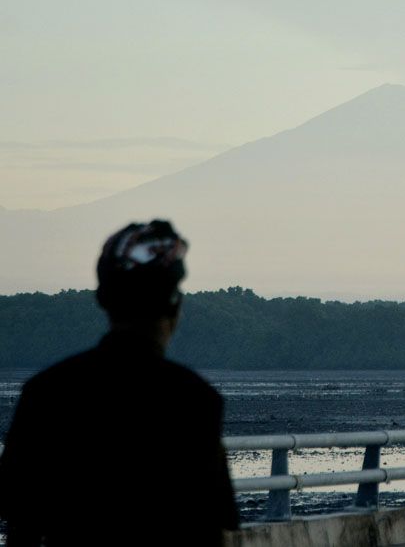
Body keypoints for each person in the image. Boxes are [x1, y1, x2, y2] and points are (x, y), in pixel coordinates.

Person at [0, 220, 239, 546]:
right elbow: (212, 528)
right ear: (175, 306)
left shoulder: (46, 392)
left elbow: (20, 524)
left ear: (103, 299)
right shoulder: (195, 399)